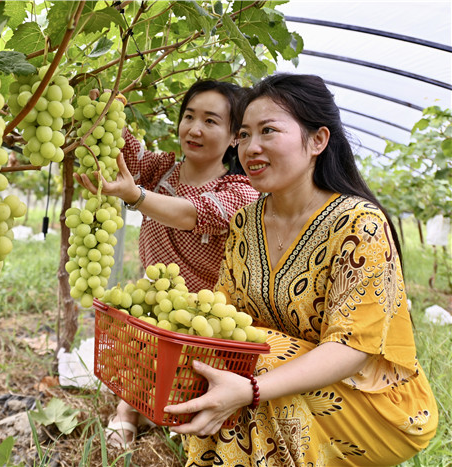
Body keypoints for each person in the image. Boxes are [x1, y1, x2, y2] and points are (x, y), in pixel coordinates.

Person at [164, 73, 438, 466]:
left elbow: (352, 349)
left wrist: (251, 390)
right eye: (243, 134)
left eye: (268, 131)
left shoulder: (358, 224)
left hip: (377, 405)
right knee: (227, 355)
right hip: (279, 378)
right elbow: (225, 317)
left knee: (257, 362)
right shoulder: (245, 222)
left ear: (317, 141)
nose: (250, 147)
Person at [74, 80, 261, 448]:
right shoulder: (162, 169)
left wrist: (138, 197)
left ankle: (177, 414)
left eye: (211, 121)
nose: (194, 129)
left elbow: (192, 214)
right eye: (189, 116)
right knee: (138, 346)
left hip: (205, 309)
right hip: (156, 291)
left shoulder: (240, 190)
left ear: (234, 138)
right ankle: (127, 410)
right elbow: (127, 158)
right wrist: (107, 115)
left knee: (187, 372)